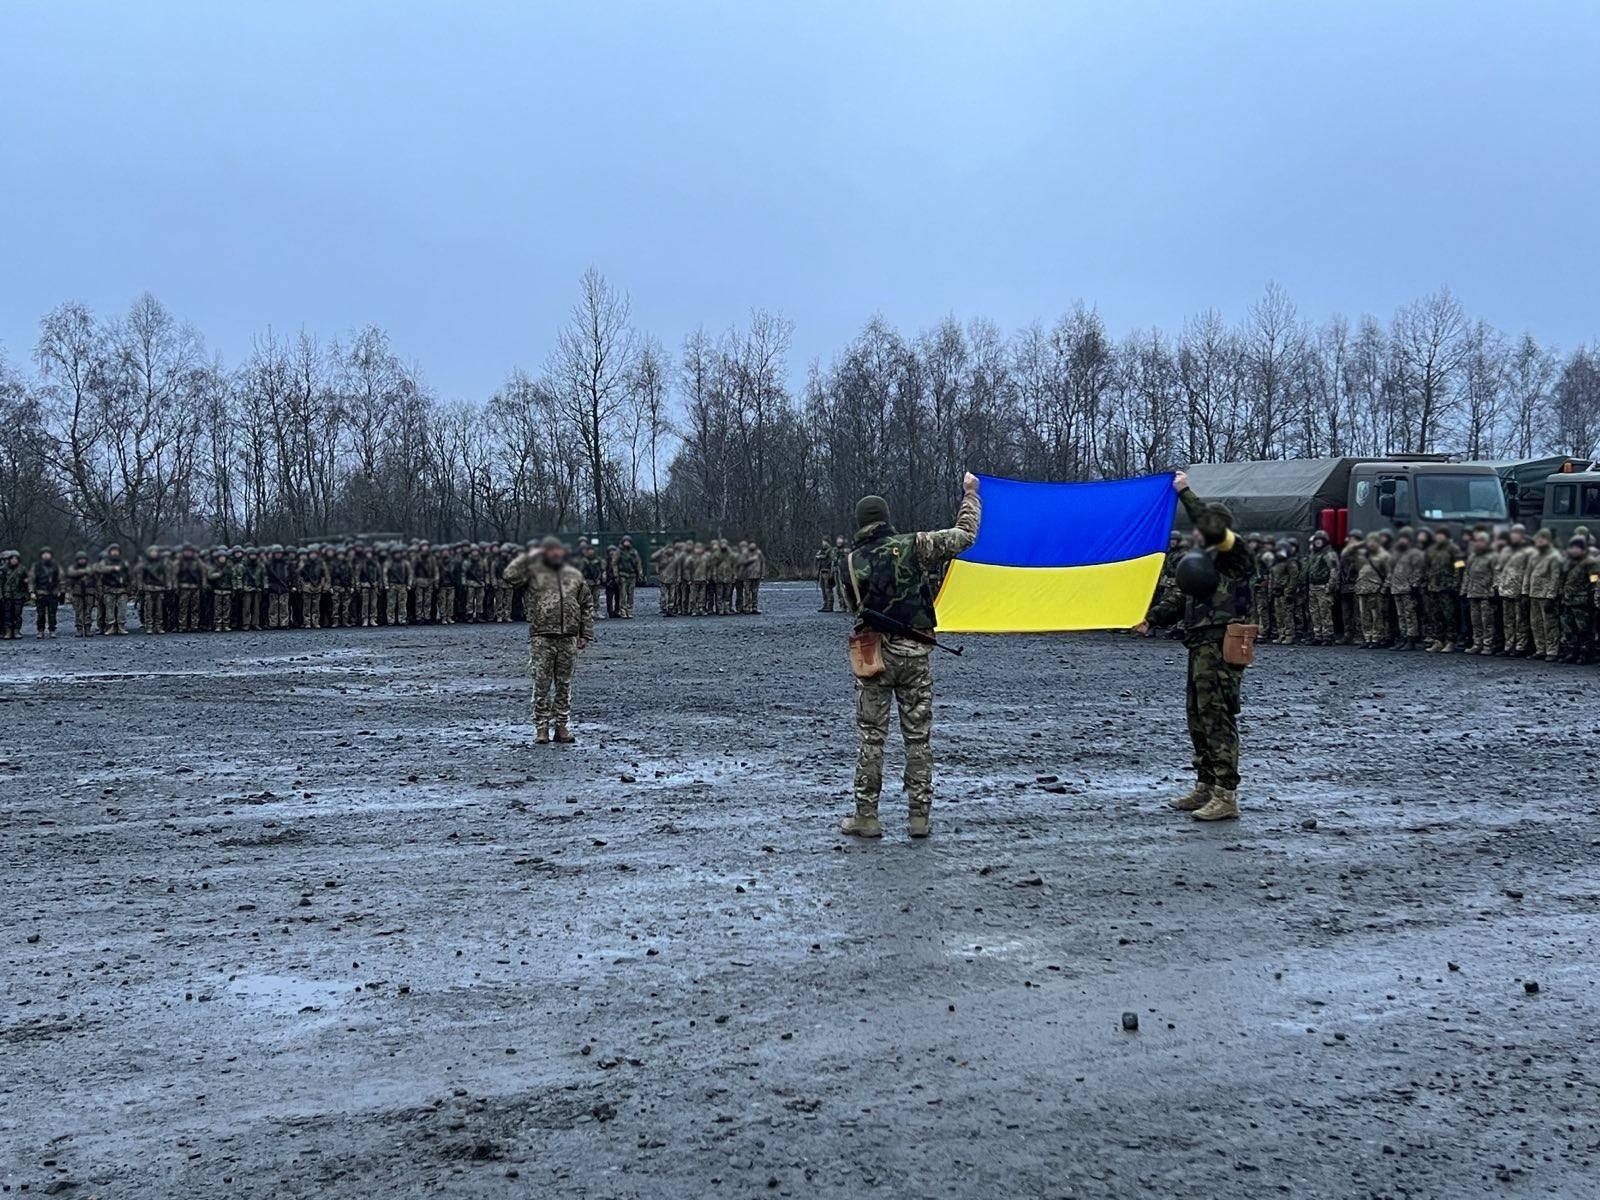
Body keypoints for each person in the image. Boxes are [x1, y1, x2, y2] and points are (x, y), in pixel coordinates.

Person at [840, 472, 982, 840]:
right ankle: (919, 816)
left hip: (873, 657)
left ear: (859, 523)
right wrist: (971, 495)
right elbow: (965, 536)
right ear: (887, 518)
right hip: (915, 653)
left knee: (872, 737)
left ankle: (866, 816)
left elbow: (854, 609)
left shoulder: (850, 563)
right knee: (917, 738)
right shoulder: (915, 545)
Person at [1137, 471, 1254, 821]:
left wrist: (1185, 492)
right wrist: (1150, 619)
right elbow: (1179, 599)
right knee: (1198, 717)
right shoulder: (1201, 564)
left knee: (1217, 717)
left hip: (1221, 646)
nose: (1198, 532)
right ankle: (1205, 785)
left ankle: (1226, 794)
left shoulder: (1236, 558)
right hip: (1199, 645)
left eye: (1205, 527)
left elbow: (1213, 528)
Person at [503, 536, 595, 744]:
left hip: (568, 637)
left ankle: (562, 726)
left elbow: (586, 605)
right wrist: (527, 557)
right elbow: (509, 576)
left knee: (564, 683)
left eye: (557, 550)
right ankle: (541, 728)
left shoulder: (574, 576)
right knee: (542, 683)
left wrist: (585, 633)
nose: (554, 554)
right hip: (542, 636)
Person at [1525, 528, 1561, 662]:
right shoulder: (1534, 555)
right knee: (1536, 624)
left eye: (1543, 538)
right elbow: (1528, 575)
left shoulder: (1554, 556)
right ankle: (1540, 649)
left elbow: (1555, 578)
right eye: (1538, 538)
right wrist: (1525, 592)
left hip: (1545, 595)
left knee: (1549, 625)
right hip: (1534, 594)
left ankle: (1552, 651)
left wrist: (1551, 597)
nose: (1539, 540)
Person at [1304, 531, 1338, 645]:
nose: (1318, 543)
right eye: (1316, 541)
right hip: (1313, 587)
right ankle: (1318, 635)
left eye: (1320, 540)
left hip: (1323, 587)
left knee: (1325, 613)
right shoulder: (1314, 554)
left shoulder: (1329, 554)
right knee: (1314, 613)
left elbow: (1334, 570)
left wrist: (1330, 586)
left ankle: (1328, 636)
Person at [29, 548, 63, 639]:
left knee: (53, 613)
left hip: (53, 593)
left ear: (51, 555)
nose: (46, 555)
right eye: (44, 554)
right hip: (41, 593)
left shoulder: (56, 565)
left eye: (48, 554)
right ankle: (40, 631)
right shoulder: (36, 566)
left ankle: (52, 630)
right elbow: (32, 579)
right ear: (41, 555)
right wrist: (32, 592)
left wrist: (61, 590)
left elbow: (61, 578)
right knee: (40, 614)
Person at [65, 550, 99, 637]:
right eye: (80, 559)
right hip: (77, 593)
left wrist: (97, 592)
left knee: (88, 611)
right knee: (78, 611)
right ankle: (79, 629)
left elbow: (96, 579)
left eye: (83, 559)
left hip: (89, 592)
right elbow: (70, 575)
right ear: (77, 560)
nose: (82, 561)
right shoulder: (73, 568)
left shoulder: (91, 568)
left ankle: (88, 628)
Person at [97, 544, 130, 634]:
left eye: (116, 550)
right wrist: (112, 568)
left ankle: (121, 627)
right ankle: (110, 627)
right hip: (109, 589)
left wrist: (129, 588)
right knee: (109, 611)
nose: (115, 552)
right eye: (113, 550)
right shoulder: (105, 561)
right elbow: (100, 569)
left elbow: (129, 575)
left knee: (122, 610)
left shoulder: (123, 562)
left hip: (122, 589)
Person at [0, 550, 27, 639]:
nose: (14, 560)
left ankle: (16, 631)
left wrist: (27, 594)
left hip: (18, 595)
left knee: (17, 614)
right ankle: (7, 631)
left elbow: (26, 582)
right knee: (6, 614)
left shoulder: (22, 569)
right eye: (12, 558)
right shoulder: (3, 569)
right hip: (7, 595)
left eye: (16, 558)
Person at [615, 536, 644, 618]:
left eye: (628, 541)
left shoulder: (634, 552)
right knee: (623, 594)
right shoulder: (619, 552)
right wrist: (616, 575)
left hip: (632, 575)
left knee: (631, 594)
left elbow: (638, 563)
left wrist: (640, 574)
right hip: (622, 575)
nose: (626, 543)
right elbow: (614, 564)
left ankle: (630, 610)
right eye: (625, 541)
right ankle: (623, 611)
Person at [815, 538, 837, 611]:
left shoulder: (831, 551)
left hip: (828, 571)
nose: (823, 544)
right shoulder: (821, 551)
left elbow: (833, 562)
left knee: (828, 589)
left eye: (824, 542)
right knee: (823, 589)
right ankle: (825, 605)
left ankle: (830, 606)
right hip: (822, 571)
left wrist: (832, 573)